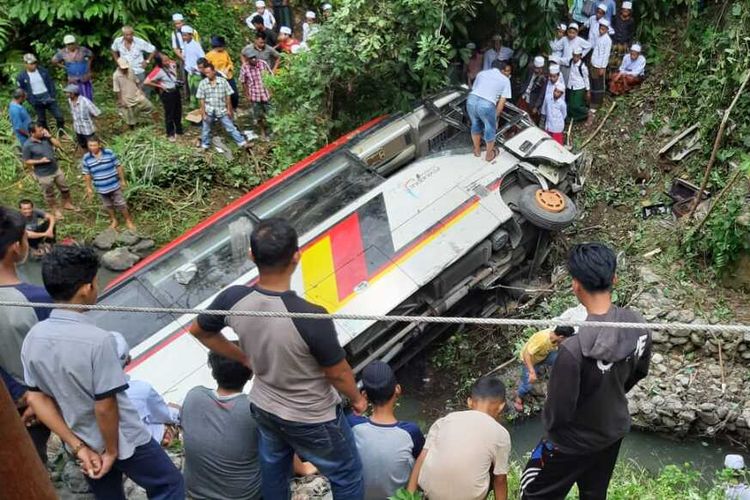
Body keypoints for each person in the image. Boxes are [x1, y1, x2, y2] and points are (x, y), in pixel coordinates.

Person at [188, 218, 367, 499]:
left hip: (265, 406)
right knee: (348, 474)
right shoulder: (310, 315)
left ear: (251, 256)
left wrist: (245, 358)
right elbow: (337, 374)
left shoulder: (234, 298)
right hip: (313, 416)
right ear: (296, 256)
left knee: (273, 468)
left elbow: (199, 330)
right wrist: (357, 399)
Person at [21, 245, 185, 499]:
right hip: (123, 438)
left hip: (80, 438)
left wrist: (78, 447)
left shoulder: (33, 337)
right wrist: (111, 451)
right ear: (87, 288)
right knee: (169, 484)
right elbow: (105, 406)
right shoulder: (98, 341)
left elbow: (36, 398)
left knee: (108, 495)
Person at [520, 243, 652, 499]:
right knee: (593, 493)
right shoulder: (637, 324)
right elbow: (638, 372)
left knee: (532, 492)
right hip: (612, 432)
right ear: (614, 278)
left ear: (575, 284)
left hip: (569, 443)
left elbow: (559, 412)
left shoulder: (573, 349)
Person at [0, 205, 53, 460]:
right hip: (39, 406)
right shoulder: (38, 299)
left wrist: (17, 393)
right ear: (16, 248)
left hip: (13, 403)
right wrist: (31, 397)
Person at [408, 376, 510, 500]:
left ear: (469, 402)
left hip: (430, 494)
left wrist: (409, 496)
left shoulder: (446, 420)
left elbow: (421, 459)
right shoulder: (501, 433)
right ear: (501, 406)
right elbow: (500, 480)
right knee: (494, 468)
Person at [181, 349, 261, 500]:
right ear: (251, 373)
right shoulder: (254, 409)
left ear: (213, 373)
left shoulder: (194, 396)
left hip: (194, 492)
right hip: (243, 496)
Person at [348, 361, 425, 500]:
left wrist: (360, 407)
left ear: (365, 395)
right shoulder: (411, 432)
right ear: (398, 389)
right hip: (398, 496)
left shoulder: (353, 425)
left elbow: (353, 416)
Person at [109, 332, 179, 445]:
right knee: (172, 414)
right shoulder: (141, 390)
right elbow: (164, 416)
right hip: (146, 444)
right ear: (128, 360)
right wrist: (177, 414)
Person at [22, 123, 76, 219]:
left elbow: (59, 145)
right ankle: (55, 210)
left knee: (65, 187)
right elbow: (27, 161)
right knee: (49, 193)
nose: (42, 131)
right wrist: (39, 161)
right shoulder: (27, 145)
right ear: (32, 133)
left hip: (55, 169)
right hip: (43, 174)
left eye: (42, 129)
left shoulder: (45, 138)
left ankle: (67, 203)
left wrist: (50, 136)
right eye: (39, 131)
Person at [514, 324, 574, 411]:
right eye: (566, 338)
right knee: (527, 385)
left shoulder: (555, 338)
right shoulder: (542, 339)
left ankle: (562, 377)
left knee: (562, 359)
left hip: (544, 355)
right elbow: (526, 354)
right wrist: (532, 372)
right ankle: (518, 398)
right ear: (561, 336)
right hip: (531, 361)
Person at [82, 137, 135, 231]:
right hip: (101, 187)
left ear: (99, 145)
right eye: (90, 145)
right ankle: (114, 220)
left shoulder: (108, 153)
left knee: (121, 203)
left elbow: (118, 166)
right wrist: (88, 187)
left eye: (94, 145)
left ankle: (128, 220)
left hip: (114, 184)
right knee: (108, 205)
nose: (92, 147)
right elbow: (87, 174)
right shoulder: (86, 158)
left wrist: (122, 180)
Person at [196, 63, 250, 152]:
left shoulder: (223, 81)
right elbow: (201, 99)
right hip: (209, 109)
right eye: (206, 73)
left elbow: (227, 96)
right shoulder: (203, 83)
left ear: (214, 71)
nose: (207, 75)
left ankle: (242, 143)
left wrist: (229, 109)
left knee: (230, 127)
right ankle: (204, 145)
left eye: (209, 72)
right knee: (206, 129)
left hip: (221, 109)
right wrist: (203, 112)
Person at [467, 61, 512, 162]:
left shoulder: (481, 74)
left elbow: (474, 90)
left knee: (475, 124)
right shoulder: (505, 80)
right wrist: (495, 116)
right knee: (489, 128)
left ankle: (477, 150)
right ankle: (489, 155)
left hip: (471, 100)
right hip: (486, 104)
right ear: (502, 70)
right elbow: (502, 101)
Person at [16, 54, 65, 131]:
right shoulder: (21, 77)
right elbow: (22, 90)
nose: (34, 65)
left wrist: (52, 95)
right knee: (42, 120)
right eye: (31, 64)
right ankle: (47, 135)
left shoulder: (43, 71)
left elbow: (50, 82)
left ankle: (61, 131)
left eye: (35, 63)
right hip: (36, 99)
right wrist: (31, 100)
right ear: (25, 64)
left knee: (59, 117)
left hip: (48, 96)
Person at [144, 53, 184, 141]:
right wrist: (160, 86)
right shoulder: (158, 70)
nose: (168, 62)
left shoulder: (172, 64)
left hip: (175, 91)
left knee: (178, 111)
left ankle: (179, 130)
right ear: (159, 62)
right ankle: (170, 133)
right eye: (165, 61)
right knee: (169, 114)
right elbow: (146, 81)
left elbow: (175, 66)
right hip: (168, 93)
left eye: (168, 59)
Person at [113, 57, 154, 129]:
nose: (125, 69)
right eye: (123, 68)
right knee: (130, 118)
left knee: (149, 106)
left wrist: (140, 90)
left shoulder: (131, 70)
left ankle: (141, 118)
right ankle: (133, 128)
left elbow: (136, 81)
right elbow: (117, 89)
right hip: (126, 98)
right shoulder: (116, 75)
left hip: (136, 94)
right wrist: (120, 100)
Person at [239, 52, 273, 139]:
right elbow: (243, 82)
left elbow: (271, 76)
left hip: (265, 93)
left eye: (255, 57)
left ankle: (271, 130)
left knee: (271, 113)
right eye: (251, 58)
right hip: (254, 94)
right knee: (258, 115)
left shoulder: (263, 64)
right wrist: (247, 95)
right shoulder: (245, 67)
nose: (254, 60)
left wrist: (271, 90)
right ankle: (262, 131)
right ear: (248, 59)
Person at [52, 35, 95, 101]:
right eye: (68, 44)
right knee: (75, 95)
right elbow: (54, 61)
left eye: (72, 44)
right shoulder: (62, 52)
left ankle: (88, 109)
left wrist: (88, 67)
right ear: (66, 45)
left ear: (75, 43)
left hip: (84, 76)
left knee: (87, 96)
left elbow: (91, 56)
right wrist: (65, 67)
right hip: (73, 78)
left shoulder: (82, 50)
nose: (70, 46)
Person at [206, 36, 239, 110]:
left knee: (234, 94)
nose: (224, 48)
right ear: (217, 46)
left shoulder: (225, 53)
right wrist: (217, 72)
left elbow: (230, 63)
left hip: (228, 76)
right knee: (222, 96)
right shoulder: (209, 56)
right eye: (222, 46)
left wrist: (227, 69)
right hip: (218, 78)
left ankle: (234, 108)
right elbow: (207, 69)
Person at [65, 84, 101, 150]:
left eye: (67, 93)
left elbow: (96, 112)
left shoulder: (85, 101)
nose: (66, 94)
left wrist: (93, 120)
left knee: (92, 146)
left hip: (87, 129)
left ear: (73, 94)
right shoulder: (70, 100)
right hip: (78, 128)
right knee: (83, 145)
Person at [180, 25, 205, 107]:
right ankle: (193, 106)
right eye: (183, 35)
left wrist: (196, 68)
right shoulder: (185, 44)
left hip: (196, 72)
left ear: (191, 35)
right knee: (192, 89)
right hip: (189, 71)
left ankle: (201, 107)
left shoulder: (196, 45)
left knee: (198, 90)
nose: (184, 37)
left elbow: (202, 58)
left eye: (185, 35)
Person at [590, 18, 612, 108]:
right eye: (600, 28)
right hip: (594, 63)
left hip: (600, 65)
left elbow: (606, 55)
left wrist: (603, 67)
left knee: (599, 84)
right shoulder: (599, 37)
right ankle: (593, 100)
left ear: (607, 29)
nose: (601, 30)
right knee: (594, 82)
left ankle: (598, 102)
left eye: (603, 29)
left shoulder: (607, 40)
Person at [518, 56, 547, 123]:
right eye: (535, 68)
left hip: (532, 102)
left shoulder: (544, 78)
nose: (537, 70)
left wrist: (536, 107)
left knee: (530, 121)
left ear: (541, 68)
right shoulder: (530, 70)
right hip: (523, 97)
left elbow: (542, 94)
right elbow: (524, 80)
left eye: (539, 69)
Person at [566, 47, 591, 123]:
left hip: (580, 87)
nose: (575, 58)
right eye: (574, 56)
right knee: (570, 105)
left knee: (577, 105)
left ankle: (588, 113)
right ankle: (574, 119)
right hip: (571, 86)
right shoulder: (570, 62)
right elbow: (562, 61)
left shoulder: (582, 66)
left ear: (580, 56)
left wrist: (588, 90)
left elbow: (586, 78)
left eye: (577, 56)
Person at [611, 2, 636, 76]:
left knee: (621, 62)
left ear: (630, 12)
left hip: (623, 44)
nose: (625, 12)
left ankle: (617, 79)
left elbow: (631, 33)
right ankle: (609, 80)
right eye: (624, 10)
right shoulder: (616, 18)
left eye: (627, 10)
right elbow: (612, 27)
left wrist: (628, 44)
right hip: (614, 42)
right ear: (621, 10)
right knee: (611, 61)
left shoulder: (631, 21)